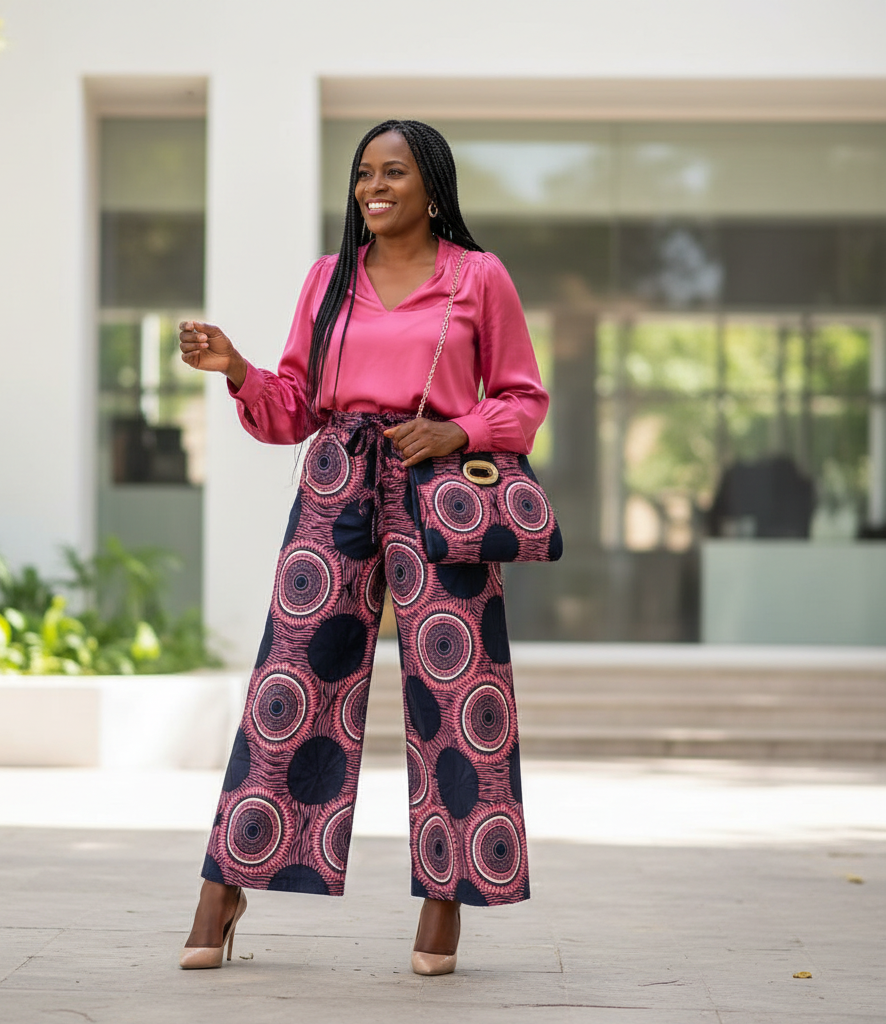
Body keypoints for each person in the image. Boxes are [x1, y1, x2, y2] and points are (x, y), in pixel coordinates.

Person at [177, 119, 549, 976]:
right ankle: (226, 883)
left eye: (393, 172)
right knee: (291, 680)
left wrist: (456, 431)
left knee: (458, 693)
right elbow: (294, 407)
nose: (373, 187)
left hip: (442, 492)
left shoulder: (478, 278)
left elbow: (523, 400)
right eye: (363, 174)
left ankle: (447, 894)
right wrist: (238, 368)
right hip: (338, 477)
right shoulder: (328, 278)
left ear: (431, 185)